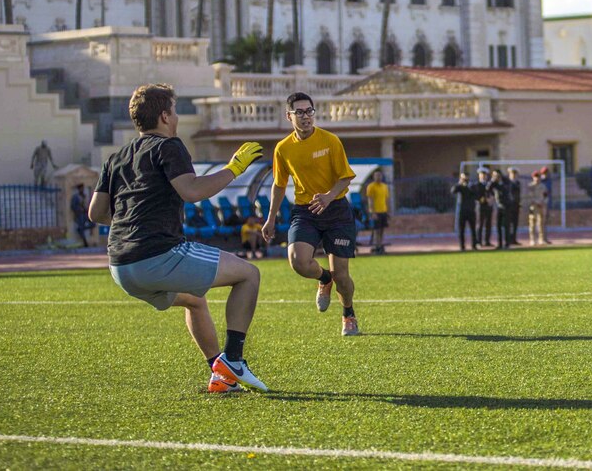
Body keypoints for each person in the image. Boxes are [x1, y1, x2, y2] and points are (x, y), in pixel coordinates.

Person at [88, 83, 266, 394]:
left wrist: (133, 223)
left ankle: (219, 375)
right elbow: (193, 191)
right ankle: (234, 360)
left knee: (195, 301)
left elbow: (96, 213)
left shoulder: (116, 157)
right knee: (249, 274)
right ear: (165, 115)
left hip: (120, 267)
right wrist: (234, 169)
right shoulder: (168, 146)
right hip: (156, 255)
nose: (177, 117)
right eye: (175, 110)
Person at [261, 92, 361, 336]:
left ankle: (348, 313)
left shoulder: (330, 140)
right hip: (306, 211)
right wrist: (271, 218)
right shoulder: (283, 149)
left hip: (336, 209)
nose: (306, 117)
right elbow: (279, 185)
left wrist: (327, 196)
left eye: (309, 111)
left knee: (343, 276)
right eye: (300, 112)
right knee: (298, 261)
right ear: (289, 116)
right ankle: (324, 277)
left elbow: (346, 176)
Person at [450, 173, 479, 251]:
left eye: (466, 178)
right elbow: (453, 191)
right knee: (461, 230)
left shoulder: (472, 186)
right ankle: (462, 246)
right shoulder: (459, 187)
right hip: (462, 211)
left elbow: (476, 194)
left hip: (471, 210)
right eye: (463, 178)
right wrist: (460, 183)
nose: (465, 180)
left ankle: (474, 245)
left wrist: (468, 186)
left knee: (473, 229)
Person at [366, 170, 390, 255]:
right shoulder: (371, 186)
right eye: (376, 175)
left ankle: (380, 246)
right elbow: (370, 200)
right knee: (376, 230)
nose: (378, 177)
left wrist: (387, 211)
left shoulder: (385, 186)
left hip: (383, 211)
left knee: (382, 230)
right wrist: (372, 212)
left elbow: (386, 199)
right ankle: (376, 246)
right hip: (376, 212)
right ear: (373, 177)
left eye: (380, 175)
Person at [487, 168, 510, 249]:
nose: (495, 177)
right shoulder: (494, 183)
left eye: (497, 175)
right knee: (498, 226)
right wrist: (492, 181)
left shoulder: (505, 181)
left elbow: (506, 189)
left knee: (506, 225)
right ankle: (500, 244)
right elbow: (488, 188)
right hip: (498, 206)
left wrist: (499, 183)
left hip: (506, 206)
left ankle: (507, 243)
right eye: (494, 175)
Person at [526, 172, 548, 246]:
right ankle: (532, 239)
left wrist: (543, 202)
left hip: (541, 206)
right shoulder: (530, 186)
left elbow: (546, 195)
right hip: (533, 206)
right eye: (535, 177)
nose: (537, 178)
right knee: (532, 223)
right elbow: (529, 197)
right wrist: (536, 202)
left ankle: (541, 239)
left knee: (541, 223)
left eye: (538, 176)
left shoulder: (543, 186)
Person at [474, 168, 494, 247]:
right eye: (482, 174)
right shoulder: (477, 185)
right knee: (480, 224)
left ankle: (487, 241)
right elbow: (476, 196)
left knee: (488, 224)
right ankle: (478, 241)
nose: (483, 176)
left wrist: (491, 199)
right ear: (479, 175)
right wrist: (482, 199)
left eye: (484, 175)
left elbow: (492, 194)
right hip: (481, 206)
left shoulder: (488, 185)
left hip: (488, 206)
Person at [70, 183, 92, 247]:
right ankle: (85, 242)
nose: (82, 189)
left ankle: (80, 229)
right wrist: (79, 209)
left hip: (85, 213)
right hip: (79, 215)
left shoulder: (84, 196)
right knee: (81, 227)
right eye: (81, 188)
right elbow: (73, 206)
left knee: (92, 224)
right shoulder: (76, 197)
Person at [505, 167, 522, 246]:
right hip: (509, 206)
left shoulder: (518, 183)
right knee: (509, 223)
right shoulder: (507, 182)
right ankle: (508, 239)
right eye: (512, 173)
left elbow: (518, 195)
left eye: (515, 173)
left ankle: (514, 239)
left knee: (515, 223)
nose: (513, 175)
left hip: (516, 205)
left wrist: (519, 203)